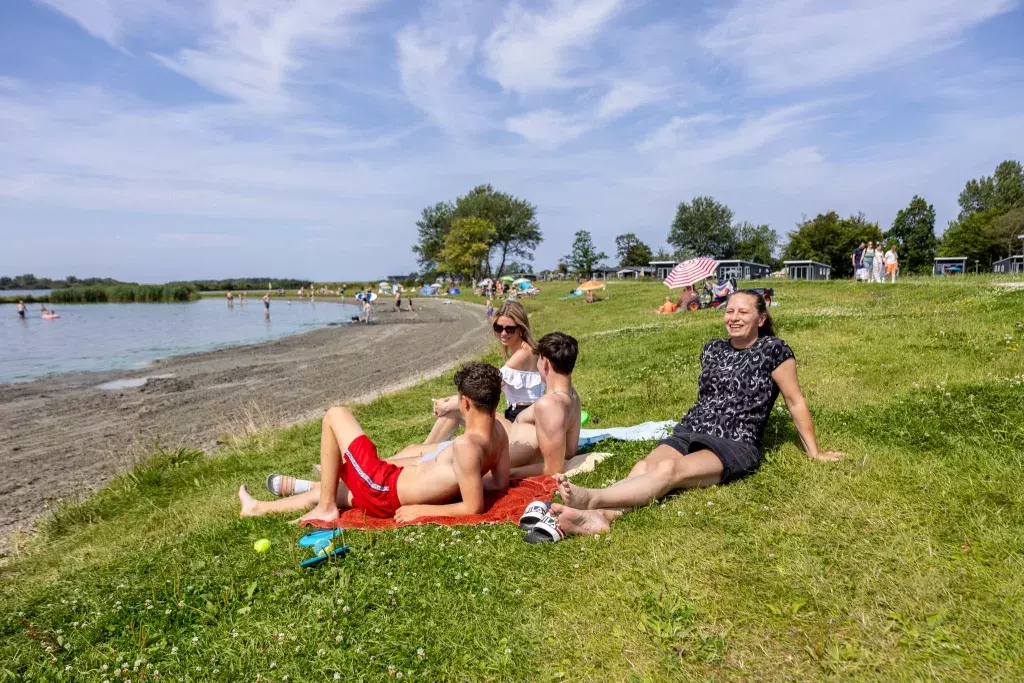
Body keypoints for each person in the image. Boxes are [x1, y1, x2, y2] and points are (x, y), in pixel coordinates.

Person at [548, 290, 843, 539]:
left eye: (743, 312)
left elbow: (795, 401)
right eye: (729, 311)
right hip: (692, 429)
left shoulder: (773, 350)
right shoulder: (712, 349)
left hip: (735, 440)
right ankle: (602, 517)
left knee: (668, 472)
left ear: (761, 318)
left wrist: (814, 452)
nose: (734, 317)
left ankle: (594, 498)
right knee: (643, 466)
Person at [238, 362, 510, 523]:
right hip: (387, 486)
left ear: (464, 402)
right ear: (495, 401)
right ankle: (258, 508)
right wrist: (466, 483)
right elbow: (499, 483)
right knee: (333, 489)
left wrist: (421, 509)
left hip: (382, 488)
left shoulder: (466, 446)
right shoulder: (499, 433)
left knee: (335, 414)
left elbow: (473, 509)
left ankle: (326, 509)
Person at [425, 301, 541, 443]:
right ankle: (426, 453)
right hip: (522, 418)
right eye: (498, 328)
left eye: (509, 329)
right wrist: (449, 400)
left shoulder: (522, 354)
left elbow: (484, 391)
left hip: (521, 423)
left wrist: (447, 405)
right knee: (456, 408)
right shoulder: (528, 350)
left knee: (453, 412)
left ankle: (424, 454)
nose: (503, 333)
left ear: (521, 328)